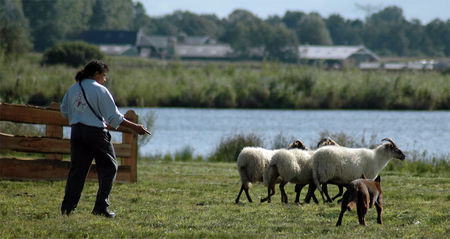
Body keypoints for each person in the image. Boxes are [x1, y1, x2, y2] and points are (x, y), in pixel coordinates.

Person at [60, 60, 150, 218]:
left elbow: (64, 112)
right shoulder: (100, 90)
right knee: (109, 166)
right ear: (96, 74)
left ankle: (67, 208)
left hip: (76, 132)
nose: (105, 79)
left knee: (77, 171)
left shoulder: (73, 89)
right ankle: (101, 207)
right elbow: (114, 117)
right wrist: (136, 127)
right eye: (104, 75)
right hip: (95, 133)